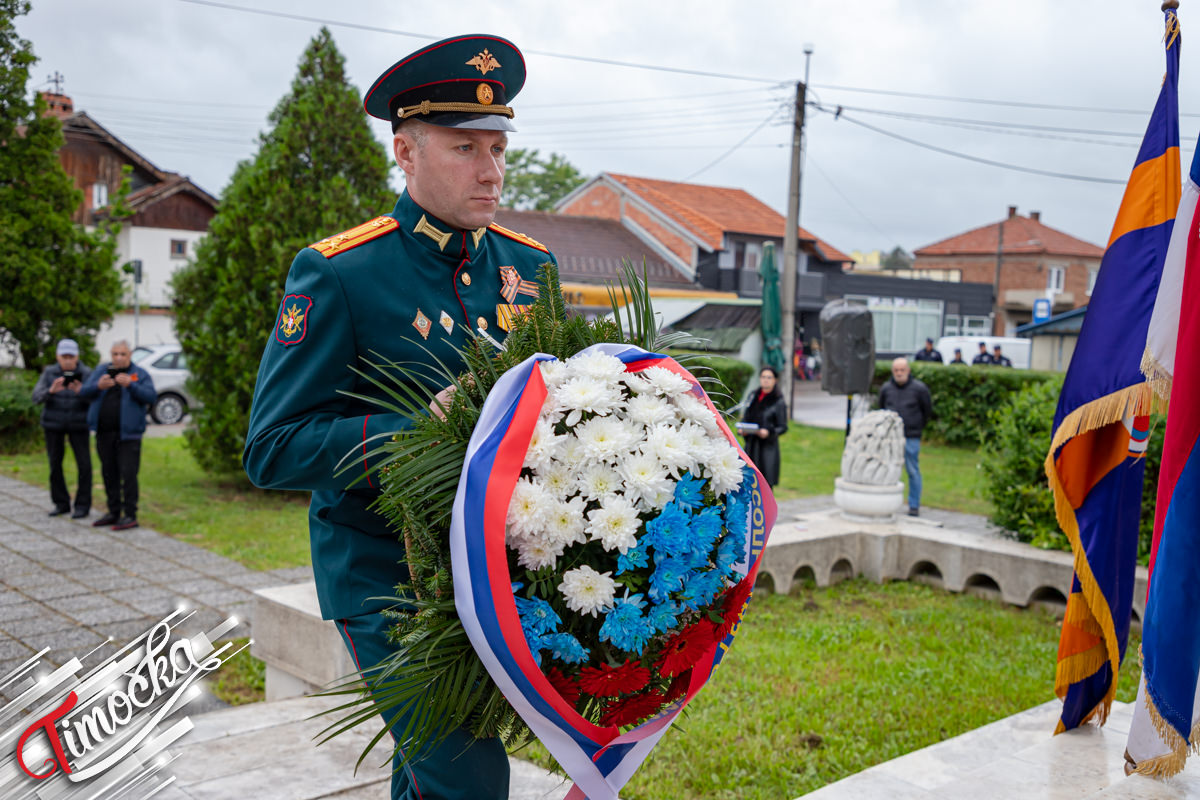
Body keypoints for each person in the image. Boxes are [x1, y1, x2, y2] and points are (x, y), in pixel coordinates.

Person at [243, 34, 553, 800]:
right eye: (463, 148)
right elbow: (272, 448)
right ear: (406, 154)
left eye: (497, 147)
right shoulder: (341, 272)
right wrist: (420, 435)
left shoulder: (529, 267)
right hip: (385, 572)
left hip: (497, 562)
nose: (490, 170)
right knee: (468, 775)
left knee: (431, 769)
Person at [79, 340, 155, 531]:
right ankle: (113, 511)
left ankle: (130, 514)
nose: (119, 358)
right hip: (104, 433)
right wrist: (98, 386)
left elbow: (151, 397)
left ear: (130, 356)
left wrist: (131, 385)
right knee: (108, 472)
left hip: (129, 435)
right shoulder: (101, 371)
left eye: (123, 354)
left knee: (128, 475)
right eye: (115, 354)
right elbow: (83, 392)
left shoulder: (139, 374)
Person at [31, 338, 93, 518]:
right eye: (63, 356)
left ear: (77, 357)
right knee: (54, 464)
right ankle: (61, 503)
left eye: (70, 356)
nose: (67, 360)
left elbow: (94, 399)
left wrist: (81, 392)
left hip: (79, 424)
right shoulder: (49, 373)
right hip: (53, 424)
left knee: (84, 465)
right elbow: (36, 397)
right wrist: (50, 391)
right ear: (57, 357)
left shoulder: (86, 373)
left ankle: (82, 505)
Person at [878, 357, 932, 517]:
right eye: (896, 370)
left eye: (902, 370)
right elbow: (881, 408)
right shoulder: (886, 389)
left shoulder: (919, 389)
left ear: (908, 371)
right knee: (887, 470)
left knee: (912, 470)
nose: (899, 373)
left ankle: (914, 505)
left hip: (911, 436)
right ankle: (886, 503)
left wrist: (917, 426)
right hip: (890, 438)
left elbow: (927, 411)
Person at [741, 366, 788, 487]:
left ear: (775, 380)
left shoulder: (778, 401)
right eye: (763, 377)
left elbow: (782, 427)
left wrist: (769, 432)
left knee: (765, 484)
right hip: (751, 446)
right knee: (748, 481)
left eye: (769, 377)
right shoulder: (753, 396)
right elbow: (746, 417)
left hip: (767, 450)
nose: (766, 380)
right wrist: (743, 429)